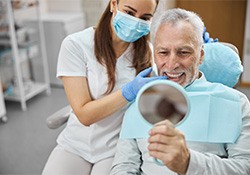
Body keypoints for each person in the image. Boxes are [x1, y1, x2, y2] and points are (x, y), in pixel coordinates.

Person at [110, 8, 250, 175]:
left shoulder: (236, 103)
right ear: (154, 55)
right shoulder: (138, 102)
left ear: (201, 55)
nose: (171, 65)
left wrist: (188, 162)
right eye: (163, 52)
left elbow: (244, 168)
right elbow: (123, 167)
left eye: (183, 52)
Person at [41, 0, 166, 175]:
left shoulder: (148, 53)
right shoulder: (76, 45)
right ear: (113, 4)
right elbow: (84, 115)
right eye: (129, 13)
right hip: (75, 145)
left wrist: (200, 50)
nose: (136, 22)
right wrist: (128, 91)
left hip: (116, 148)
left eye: (145, 17)